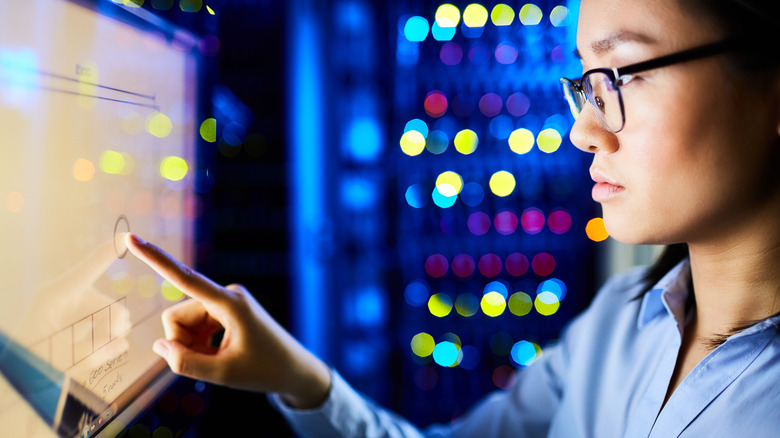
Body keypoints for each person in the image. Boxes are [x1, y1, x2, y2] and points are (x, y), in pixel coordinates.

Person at [124, 0, 780, 435]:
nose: (583, 129)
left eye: (625, 73)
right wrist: (296, 377)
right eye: (585, 79)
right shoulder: (620, 320)